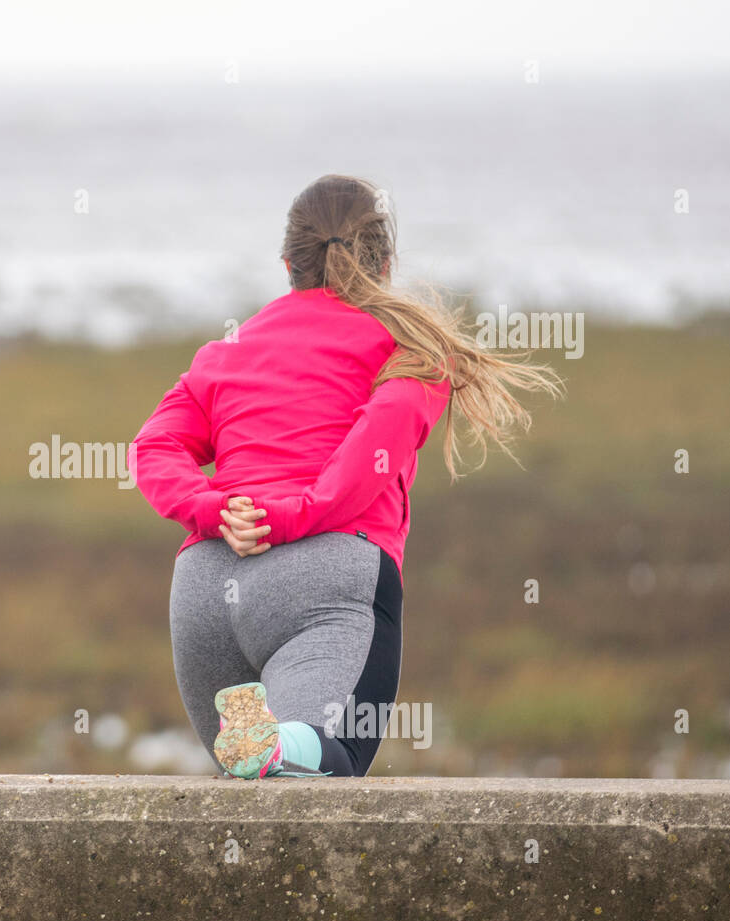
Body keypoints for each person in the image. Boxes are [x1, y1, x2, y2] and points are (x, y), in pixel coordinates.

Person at [128, 175, 563, 779]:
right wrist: (284, 519)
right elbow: (366, 461)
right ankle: (280, 745)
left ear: (287, 264)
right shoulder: (412, 347)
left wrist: (214, 509)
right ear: (386, 265)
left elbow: (154, 444)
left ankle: (272, 746)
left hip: (204, 586)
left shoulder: (225, 350)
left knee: (259, 802)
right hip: (325, 580)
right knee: (329, 760)